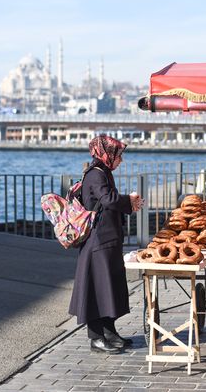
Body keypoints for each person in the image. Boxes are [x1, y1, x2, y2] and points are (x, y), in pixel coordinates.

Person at [68, 135, 144, 353]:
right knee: (96, 289)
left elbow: (109, 199)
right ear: (106, 154)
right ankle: (96, 338)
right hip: (97, 241)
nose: (120, 160)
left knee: (108, 287)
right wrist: (129, 200)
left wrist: (129, 203)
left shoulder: (104, 172)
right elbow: (108, 199)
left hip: (107, 240)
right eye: (118, 156)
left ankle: (109, 331)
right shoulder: (95, 174)